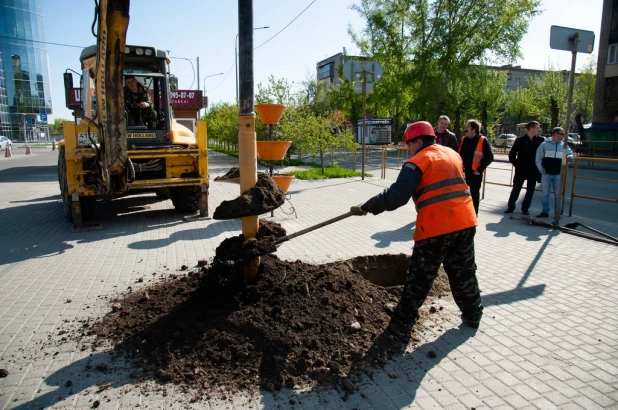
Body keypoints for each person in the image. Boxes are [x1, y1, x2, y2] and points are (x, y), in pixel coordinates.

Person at [350, 121, 483, 329]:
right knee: (464, 272)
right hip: (466, 222)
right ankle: (473, 314)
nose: (408, 149)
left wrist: (367, 206)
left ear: (419, 141)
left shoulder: (417, 162)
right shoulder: (451, 154)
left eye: (409, 144)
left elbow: (396, 196)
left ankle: (402, 321)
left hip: (436, 228)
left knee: (420, 275)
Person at [504, 121, 545, 216]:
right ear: (531, 129)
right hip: (521, 169)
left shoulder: (540, 140)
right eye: (537, 128)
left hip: (533, 170)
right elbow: (512, 154)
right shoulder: (520, 140)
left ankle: (525, 208)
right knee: (516, 188)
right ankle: (511, 206)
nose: (538, 130)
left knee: (530, 190)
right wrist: (516, 164)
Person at [535, 127, 573, 218]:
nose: (563, 136)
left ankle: (557, 212)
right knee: (545, 194)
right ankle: (545, 211)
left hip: (558, 174)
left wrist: (570, 156)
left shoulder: (564, 145)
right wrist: (542, 170)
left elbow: (570, 153)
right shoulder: (544, 145)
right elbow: (538, 158)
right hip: (546, 174)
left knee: (558, 194)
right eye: (562, 134)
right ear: (555, 134)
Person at [458, 119, 494, 214]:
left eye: (467, 127)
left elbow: (489, 157)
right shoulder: (463, 140)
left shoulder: (482, 140)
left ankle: (474, 215)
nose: (465, 129)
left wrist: (479, 169)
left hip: (475, 173)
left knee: (474, 195)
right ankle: (463, 213)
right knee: (462, 195)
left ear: (474, 130)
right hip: (463, 172)